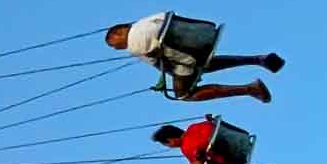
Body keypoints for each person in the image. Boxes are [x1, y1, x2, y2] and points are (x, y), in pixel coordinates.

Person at [104, 15, 282, 103]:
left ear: (120, 31)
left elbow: (162, 63)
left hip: (188, 58)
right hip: (202, 36)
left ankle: (250, 89)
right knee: (203, 65)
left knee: (183, 95)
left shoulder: (134, 44)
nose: (116, 48)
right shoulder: (149, 19)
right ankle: (258, 59)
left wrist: (169, 76)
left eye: (114, 44)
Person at [150, 119, 282, 164]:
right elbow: (198, 157)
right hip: (241, 145)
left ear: (170, 140)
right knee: (215, 163)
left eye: (166, 144)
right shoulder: (195, 127)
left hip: (228, 158)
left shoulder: (186, 147)